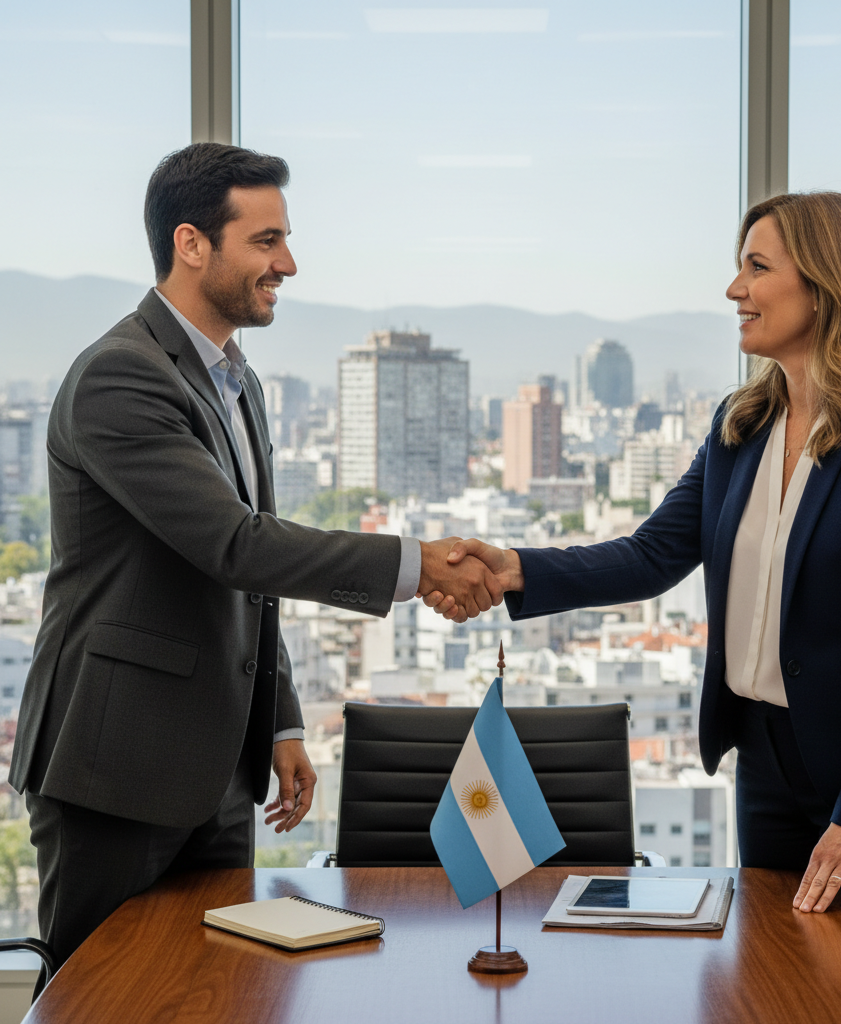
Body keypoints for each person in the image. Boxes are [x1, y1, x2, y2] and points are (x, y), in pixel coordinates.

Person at [430, 191, 841, 955]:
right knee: (776, 984)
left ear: (825, 284)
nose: (734, 290)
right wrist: (513, 567)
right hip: (769, 767)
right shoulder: (740, 424)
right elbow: (651, 555)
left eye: (757, 267)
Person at [11, 142, 498, 983]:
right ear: (191, 243)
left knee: (217, 992)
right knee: (105, 995)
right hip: (117, 767)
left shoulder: (236, 380)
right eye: (266, 241)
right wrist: (420, 566)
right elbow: (235, 543)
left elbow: (246, 576)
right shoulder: (120, 377)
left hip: (216, 770)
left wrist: (279, 719)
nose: (289, 263)